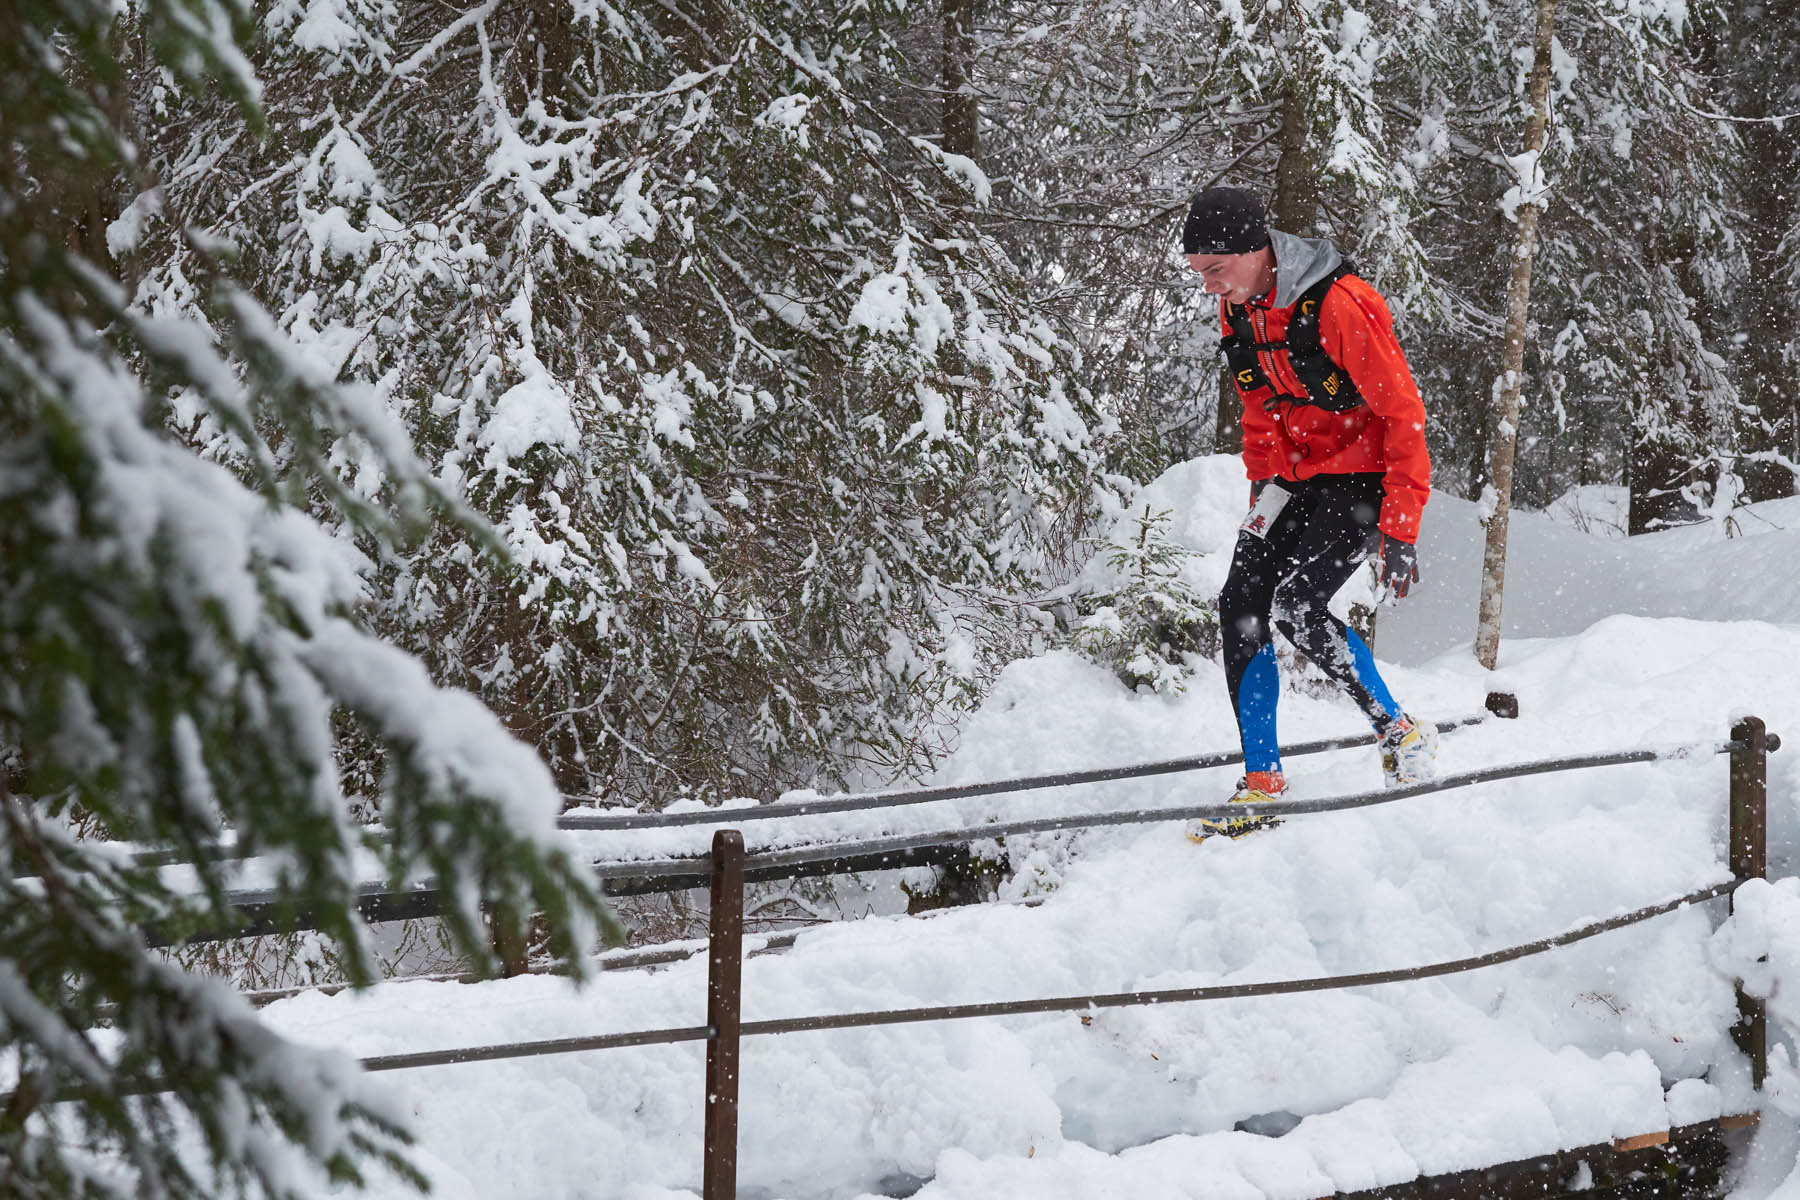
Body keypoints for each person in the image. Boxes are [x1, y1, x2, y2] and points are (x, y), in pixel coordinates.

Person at [1180, 186, 1436, 842]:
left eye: (1216, 269)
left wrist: (1400, 524)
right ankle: (1262, 782)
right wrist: (1260, 498)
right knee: (1240, 604)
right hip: (1291, 478)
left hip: (1360, 479)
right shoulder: (1236, 309)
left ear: (1257, 251)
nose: (1209, 286)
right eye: (1198, 272)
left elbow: (1403, 413)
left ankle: (1399, 731)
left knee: (1297, 607)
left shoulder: (1342, 304)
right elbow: (1258, 408)